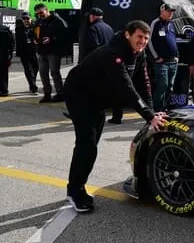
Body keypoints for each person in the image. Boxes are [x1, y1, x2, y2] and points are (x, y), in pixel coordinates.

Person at [63, 20, 167, 212]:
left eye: (146, 38)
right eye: (139, 37)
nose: (143, 42)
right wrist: (148, 116)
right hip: (79, 96)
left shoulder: (139, 53)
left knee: (91, 144)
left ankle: (77, 186)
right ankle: (74, 191)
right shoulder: (113, 54)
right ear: (128, 34)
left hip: (98, 99)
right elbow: (126, 87)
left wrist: (152, 112)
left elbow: (143, 83)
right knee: (87, 145)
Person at [33, 3, 67, 103]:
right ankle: (47, 94)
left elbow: (64, 34)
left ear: (47, 10)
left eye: (41, 13)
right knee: (43, 73)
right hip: (41, 51)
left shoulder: (57, 20)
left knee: (54, 72)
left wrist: (51, 38)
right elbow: (34, 32)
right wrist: (35, 39)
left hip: (53, 51)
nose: (40, 15)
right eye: (38, 13)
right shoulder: (39, 21)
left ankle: (60, 94)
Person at [148, 3, 179, 111]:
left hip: (173, 61)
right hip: (161, 62)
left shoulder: (171, 23)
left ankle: (167, 109)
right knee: (162, 85)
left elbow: (174, 40)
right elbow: (149, 41)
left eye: (172, 11)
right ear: (162, 11)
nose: (171, 13)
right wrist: (156, 57)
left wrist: (177, 56)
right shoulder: (155, 23)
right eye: (168, 11)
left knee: (170, 86)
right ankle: (157, 110)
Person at [15, 13, 39, 93]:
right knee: (28, 69)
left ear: (30, 19)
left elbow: (38, 36)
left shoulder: (35, 27)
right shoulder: (19, 29)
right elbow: (17, 41)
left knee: (36, 67)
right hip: (24, 52)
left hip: (34, 51)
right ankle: (33, 86)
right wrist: (18, 52)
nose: (26, 20)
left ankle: (33, 82)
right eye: (24, 19)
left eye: (27, 18)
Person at [0, 22, 13, 96]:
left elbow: (11, 44)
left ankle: (4, 90)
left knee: (3, 73)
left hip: (3, 55)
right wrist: (10, 56)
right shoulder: (5, 29)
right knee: (4, 73)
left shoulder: (5, 29)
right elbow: (11, 44)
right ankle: (4, 90)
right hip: (4, 55)